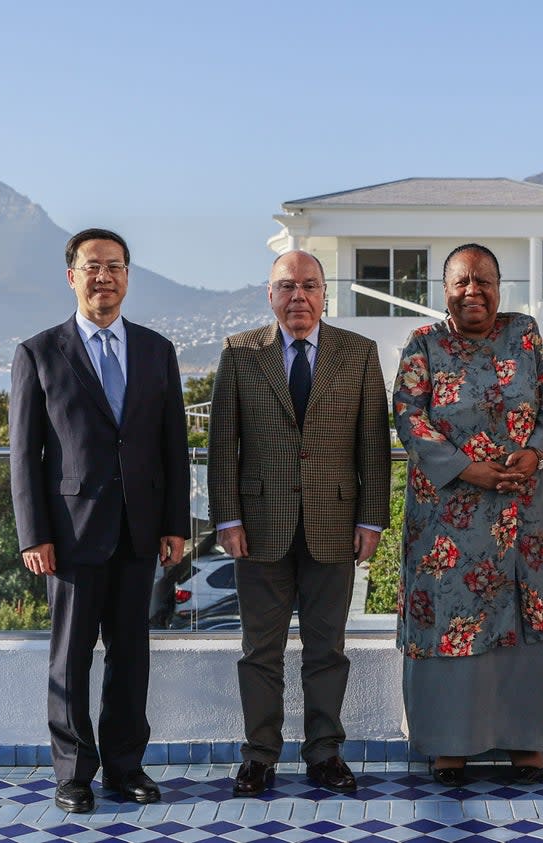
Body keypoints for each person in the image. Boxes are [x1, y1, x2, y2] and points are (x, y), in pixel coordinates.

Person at [9, 228, 190, 813]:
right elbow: (23, 454)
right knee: (70, 657)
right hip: (68, 535)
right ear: (72, 277)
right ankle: (73, 773)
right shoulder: (38, 352)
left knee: (130, 656)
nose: (103, 276)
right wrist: (33, 533)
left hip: (140, 531)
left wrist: (175, 524)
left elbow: (173, 447)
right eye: (92, 267)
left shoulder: (157, 350)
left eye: (114, 266)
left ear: (128, 276)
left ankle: (125, 768)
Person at [208, 251, 390, 796]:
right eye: (286, 286)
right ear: (270, 295)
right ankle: (259, 755)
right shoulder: (240, 353)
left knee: (327, 649)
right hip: (259, 526)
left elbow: (373, 447)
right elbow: (222, 445)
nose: (298, 297)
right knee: (259, 650)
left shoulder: (357, 354)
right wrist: (228, 517)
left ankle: (324, 753)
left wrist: (372, 520)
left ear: (324, 293)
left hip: (335, 524)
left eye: (309, 286)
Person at [393, 243, 543, 787]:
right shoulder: (423, 343)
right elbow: (408, 417)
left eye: (485, 280)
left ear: (500, 286)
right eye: (462, 281)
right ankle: (451, 745)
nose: (474, 291)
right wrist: (470, 469)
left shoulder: (526, 334)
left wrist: (536, 453)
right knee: (451, 624)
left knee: (522, 625)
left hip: (523, 513)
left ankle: (524, 743)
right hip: (448, 519)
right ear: (444, 290)